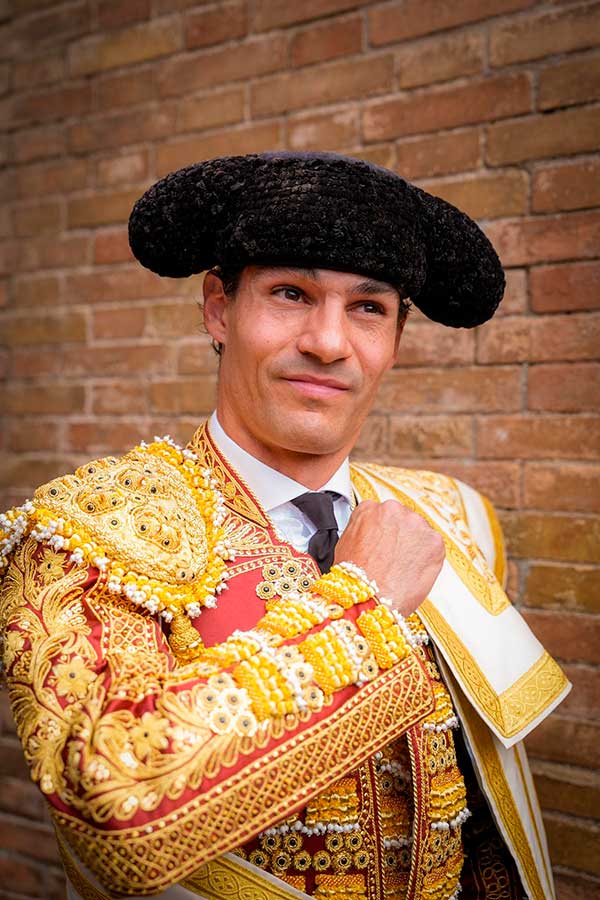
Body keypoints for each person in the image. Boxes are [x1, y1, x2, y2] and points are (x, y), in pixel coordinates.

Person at [0, 153, 570, 900]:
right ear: (218, 308)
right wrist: (363, 606)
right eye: (291, 294)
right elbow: (110, 806)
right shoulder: (82, 533)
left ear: (397, 338)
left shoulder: (453, 516)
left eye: (368, 308)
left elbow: (487, 828)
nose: (329, 342)